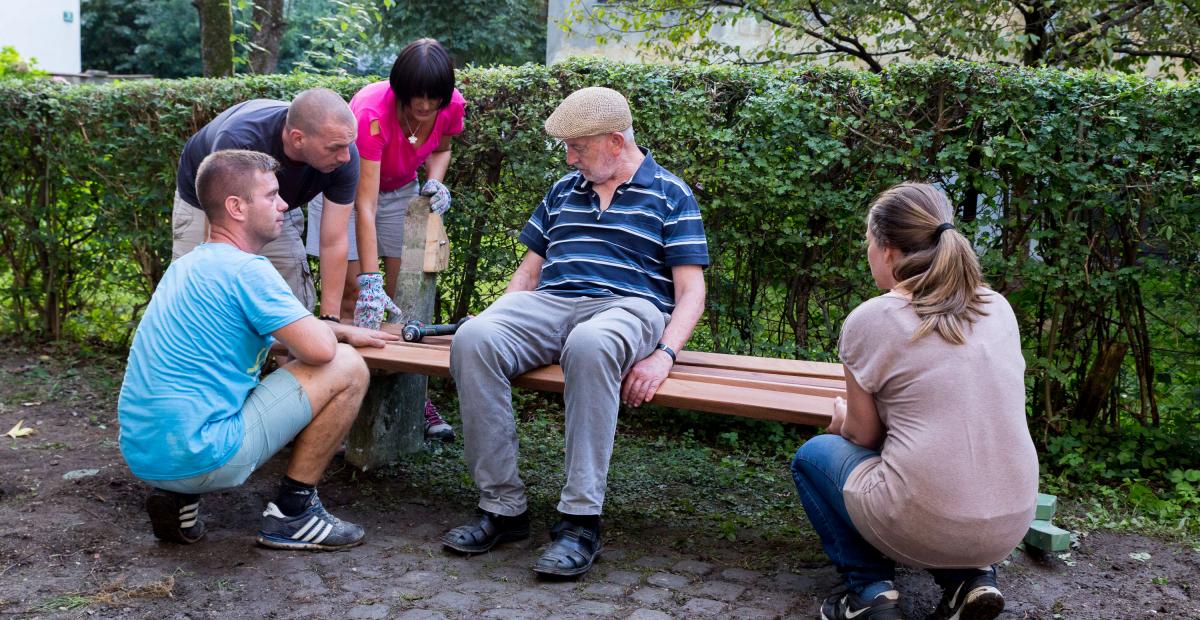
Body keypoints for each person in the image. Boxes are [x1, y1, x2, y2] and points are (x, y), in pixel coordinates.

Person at [440, 87, 709, 578]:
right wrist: (496, 318)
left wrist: (664, 354)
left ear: (614, 141)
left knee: (589, 344)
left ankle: (580, 520)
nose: (569, 158)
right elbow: (527, 274)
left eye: (577, 148)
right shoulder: (564, 191)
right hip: (551, 303)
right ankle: (502, 507)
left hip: (629, 308)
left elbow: (691, 290)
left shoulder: (672, 193)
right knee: (474, 338)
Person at [120, 149, 399, 550]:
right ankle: (294, 513)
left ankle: (181, 500)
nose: (284, 204)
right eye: (271, 195)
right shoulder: (248, 269)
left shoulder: (187, 266)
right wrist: (335, 335)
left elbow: (257, 334)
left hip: (144, 453)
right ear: (236, 207)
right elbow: (320, 351)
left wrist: (331, 331)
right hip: (205, 455)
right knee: (348, 366)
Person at [791, 183, 1038, 620]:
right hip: (1011, 522)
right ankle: (972, 579)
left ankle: (869, 591)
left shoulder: (873, 318)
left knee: (812, 457)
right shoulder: (997, 306)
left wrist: (841, 419)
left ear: (887, 251)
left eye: (868, 242)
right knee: (945, 462)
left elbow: (864, 434)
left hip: (922, 522)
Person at [305, 38, 465, 441]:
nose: (425, 106)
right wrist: (369, 280)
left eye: (433, 97)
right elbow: (365, 205)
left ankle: (402, 403)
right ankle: (334, 404)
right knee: (351, 298)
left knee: (394, 304)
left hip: (400, 191)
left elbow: (442, 149)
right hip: (346, 192)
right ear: (399, 87)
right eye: (416, 96)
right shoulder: (371, 111)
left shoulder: (451, 106)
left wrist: (433, 183)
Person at [173, 88, 359, 315]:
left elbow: (334, 240)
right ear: (298, 138)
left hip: (275, 203)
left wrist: (331, 319)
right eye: (334, 148)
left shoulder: (344, 152)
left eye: (347, 145)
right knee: (200, 296)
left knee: (293, 302)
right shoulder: (240, 141)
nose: (345, 157)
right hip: (208, 205)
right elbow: (216, 247)